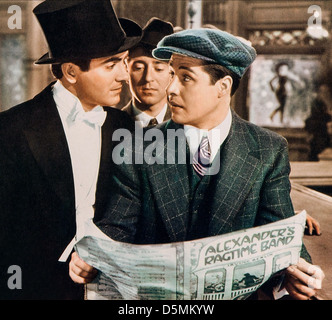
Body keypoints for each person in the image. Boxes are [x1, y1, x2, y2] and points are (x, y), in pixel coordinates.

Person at [70, 28, 324, 300]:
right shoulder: (139, 147)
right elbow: (117, 226)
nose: (171, 88)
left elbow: (282, 235)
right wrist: (90, 256)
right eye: (172, 75)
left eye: (186, 77)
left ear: (223, 87)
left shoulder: (267, 149)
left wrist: (298, 272)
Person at [0, 0, 142, 300]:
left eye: (124, 61)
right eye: (110, 64)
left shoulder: (124, 127)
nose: (123, 76)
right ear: (71, 72)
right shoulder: (11, 130)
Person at [123, 17, 173, 127]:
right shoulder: (109, 127)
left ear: (172, 74)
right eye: (139, 67)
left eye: (159, 69)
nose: (148, 78)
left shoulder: (188, 127)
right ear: (126, 70)